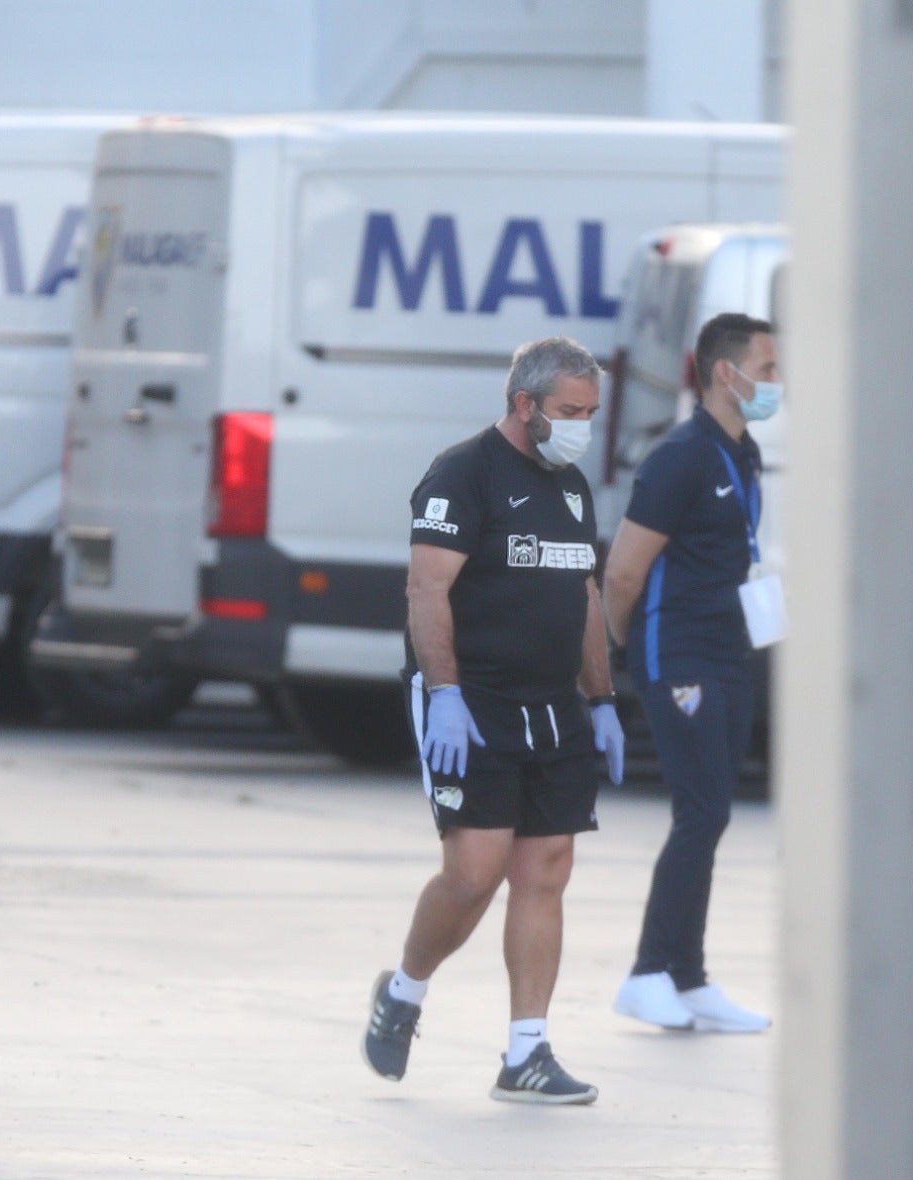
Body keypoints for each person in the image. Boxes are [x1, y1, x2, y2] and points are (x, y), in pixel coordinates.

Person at [362, 336, 626, 1105]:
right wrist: (443, 692)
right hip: (472, 703)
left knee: (545, 872)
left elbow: (582, 596)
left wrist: (602, 699)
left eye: (591, 413)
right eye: (570, 412)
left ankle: (527, 1054)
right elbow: (426, 591)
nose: (582, 426)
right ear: (524, 404)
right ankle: (405, 992)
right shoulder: (463, 472)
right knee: (473, 874)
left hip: (553, 707)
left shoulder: (572, 487)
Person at [601, 312, 781, 1034]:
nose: (777, 383)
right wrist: (627, 657)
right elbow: (622, 573)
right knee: (700, 810)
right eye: (767, 370)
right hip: (676, 654)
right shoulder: (679, 457)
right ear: (724, 374)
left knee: (714, 812)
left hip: (730, 649)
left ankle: (688, 975)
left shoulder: (744, 452)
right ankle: (648, 972)